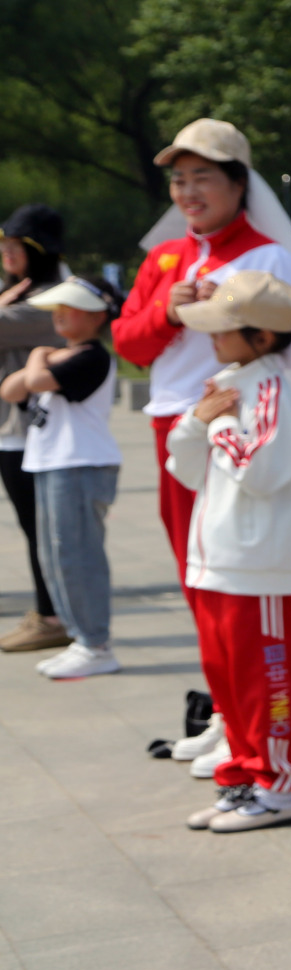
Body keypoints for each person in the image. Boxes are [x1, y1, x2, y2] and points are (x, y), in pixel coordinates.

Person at [112, 119, 291, 778]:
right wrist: (170, 312)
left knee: (250, 587)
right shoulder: (166, 259)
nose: (188, 190)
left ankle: (267, 727)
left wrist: (232, 312)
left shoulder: (268, 256)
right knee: (200, 580)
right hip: (178, 427)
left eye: (203, 175)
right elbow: (128, 343)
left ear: (240, 182)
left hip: (242, 431)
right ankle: (229, 718)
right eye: (178, 179)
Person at [169, 272, 291, 833]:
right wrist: (198, 422)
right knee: (228, 680)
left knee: (265, 683)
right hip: (216, 558)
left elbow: (261, 469)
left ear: (262, 336)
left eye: (225, 329)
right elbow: (185, 463)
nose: (213, 337)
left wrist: (219, 424)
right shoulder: (231, 382)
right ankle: (239, 781)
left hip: (256, 565)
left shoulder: (272, 388)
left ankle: (280, 786)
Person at [1, 276, 123, 679]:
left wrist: (37, 354)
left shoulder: (91, 357)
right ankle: (80, 639)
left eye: (68, 309)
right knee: (55, 558)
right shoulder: (62, 356)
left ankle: (96, 643)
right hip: (53, 464)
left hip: (81, 465)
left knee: (79, 557)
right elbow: (10, 390)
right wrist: (44, 358)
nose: (59, 316)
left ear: (96, 315)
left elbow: (33, 381)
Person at [0, 205, 67, 653]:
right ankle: (51, 612)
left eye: (14, 246)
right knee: (34, 526)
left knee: (43, 529)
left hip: (33, 432)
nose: (6, 254)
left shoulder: (49, 301)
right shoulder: (20, 296)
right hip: (14, 430)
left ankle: (54, 615)